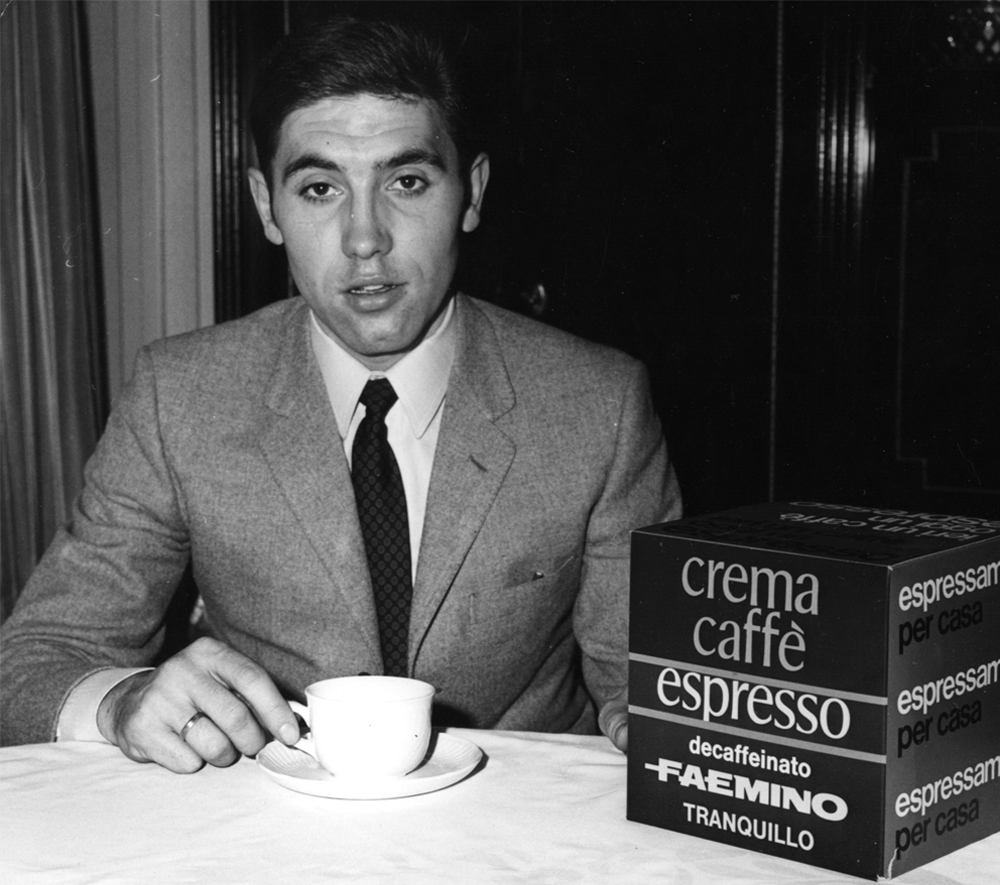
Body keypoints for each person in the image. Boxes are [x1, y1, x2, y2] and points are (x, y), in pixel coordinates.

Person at [0, 16, 681, 772]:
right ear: (267, 206)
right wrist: (122, 700)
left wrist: (669, 722)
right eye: (320, 189)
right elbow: (35, 658)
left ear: (472, 192)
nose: (365, 239)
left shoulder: (600, 405)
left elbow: (649, 682)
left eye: (407, 182)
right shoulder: (179, 395)